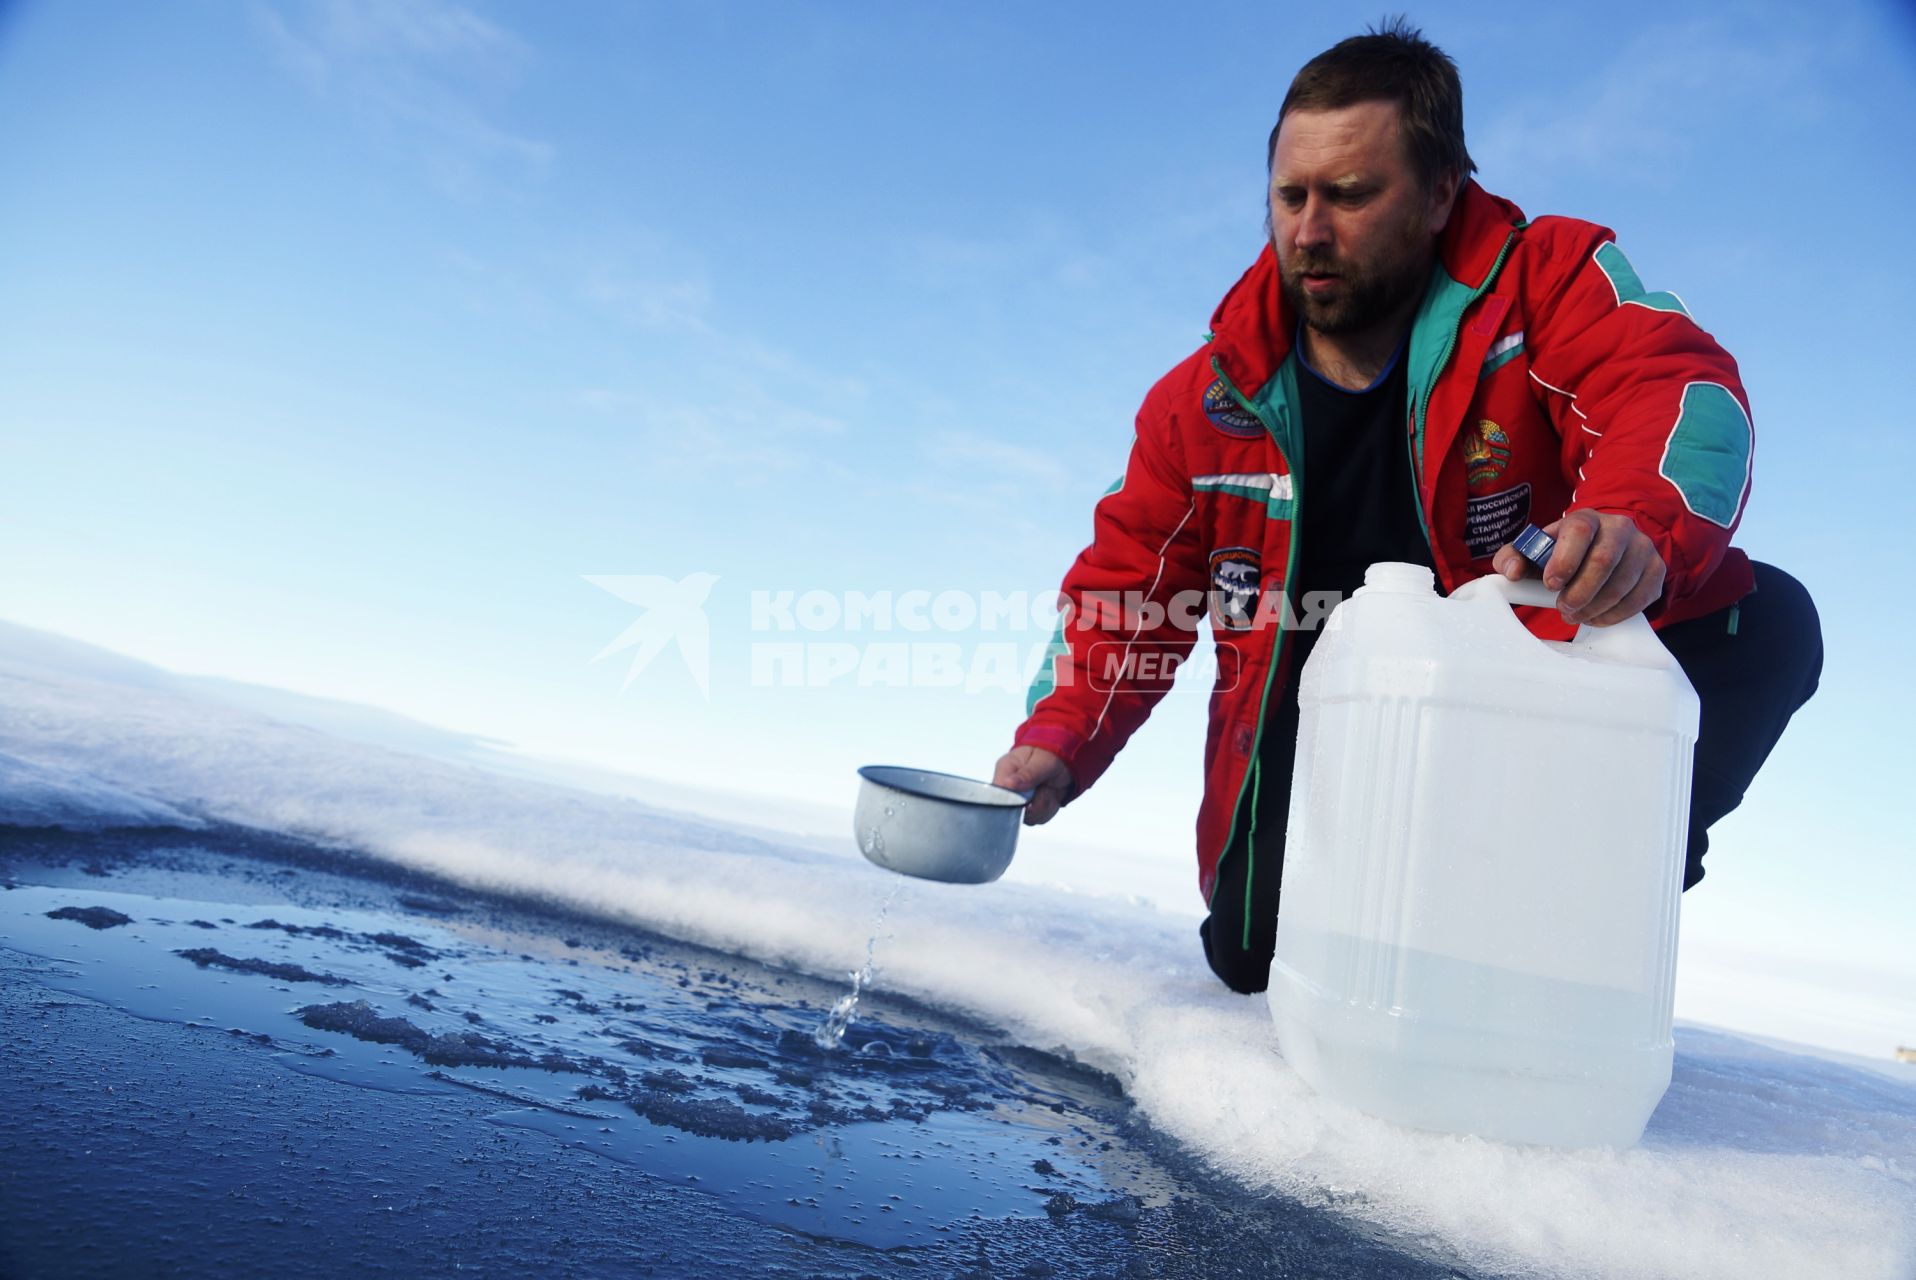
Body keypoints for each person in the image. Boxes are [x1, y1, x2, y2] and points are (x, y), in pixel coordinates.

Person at [990, 20, 1822, 994]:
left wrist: (1632, 523)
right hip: (1326, 719)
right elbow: (1129, 584)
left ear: (1438, 194)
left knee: (1765, 620)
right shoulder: (1202, 400)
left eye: (1347, 195)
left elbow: (1674, 393)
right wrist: (1056, 738)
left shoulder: (1543, 279)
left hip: (1526, 698)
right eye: (1289, 195)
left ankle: (1589, 893)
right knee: (1252, 958)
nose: (1307, 228)